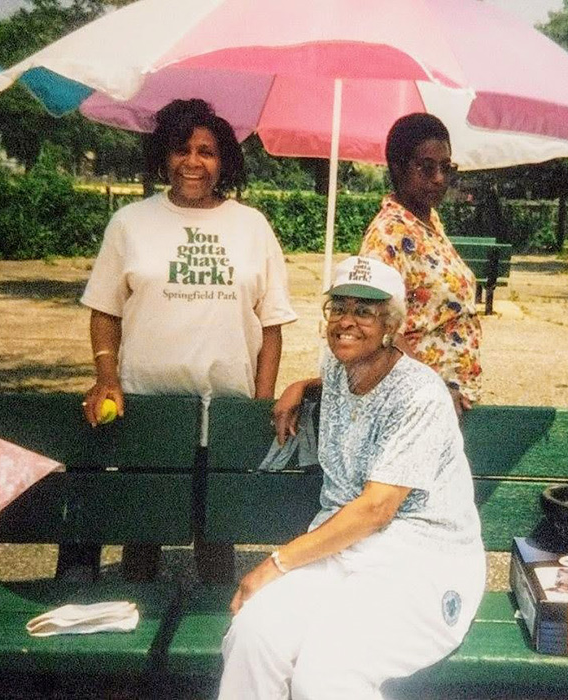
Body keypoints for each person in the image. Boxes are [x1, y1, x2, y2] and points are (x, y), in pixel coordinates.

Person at [217, 256, 486, 700]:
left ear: (390, 325)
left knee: (325, 675)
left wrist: (276, 563)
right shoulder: (339, 369)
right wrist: (302, 386)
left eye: (364, 311)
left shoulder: (420, 395)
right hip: (342, 550)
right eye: (338, 308)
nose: (346, 321)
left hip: (420, 561)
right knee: (254, 637)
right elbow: (344, 375)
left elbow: (377, 509)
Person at [72, 98, 298, 580]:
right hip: (148, 409)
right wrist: (106, 377)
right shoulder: (130, 223)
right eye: (181, 150)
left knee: (216, 547)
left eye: (207, 152)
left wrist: (257, 406)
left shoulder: (251, 226)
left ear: (224, 162)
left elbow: (272, 327)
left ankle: (215, 641)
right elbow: (105, 311)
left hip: (224, 411)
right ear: (163, 156)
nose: (193, 163)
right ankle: (138, 642)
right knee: (142, 544)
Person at [359, 113, 482, 413]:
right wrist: (432, 389)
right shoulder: (389, 233)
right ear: (398, 168)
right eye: (426, 167)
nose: (439, 178)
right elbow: (375, 329)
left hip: (450, 403)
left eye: (446, 167)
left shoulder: (428, 221)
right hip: (417, 405)